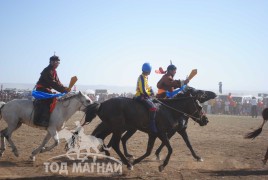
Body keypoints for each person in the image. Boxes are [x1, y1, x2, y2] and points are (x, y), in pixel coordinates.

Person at [33, 54, 71, 127]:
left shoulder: (54, 71)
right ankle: (42, 120)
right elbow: (52, 83)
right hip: (41, 89)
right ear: (51, 62)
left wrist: (65, 88)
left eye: (58, 63)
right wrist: (63, 90)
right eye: (55, 62)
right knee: (51, 99)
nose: (57, 64)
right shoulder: (47, 70)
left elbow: (58, 82)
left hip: (46, 89)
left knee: (55, 99)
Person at [135, 62, 157, 133]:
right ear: (149, 71)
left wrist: (151, 90)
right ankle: (152, 125)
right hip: (140, 96)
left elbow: (147, 87)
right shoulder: (141, 77)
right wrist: (150, 93)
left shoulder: (145, 77)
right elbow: (143, 91)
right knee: (153, 108)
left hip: (144, 95)